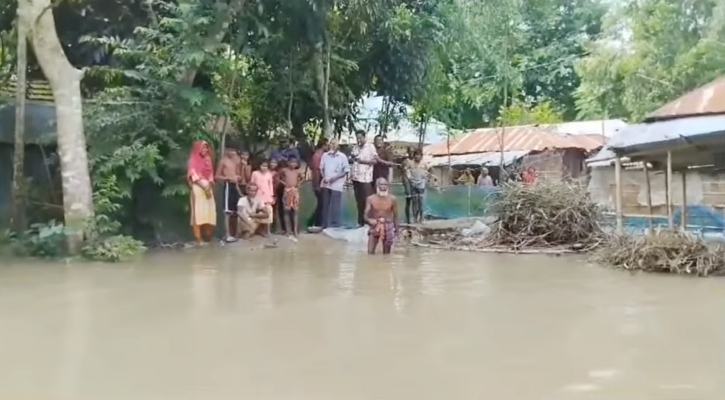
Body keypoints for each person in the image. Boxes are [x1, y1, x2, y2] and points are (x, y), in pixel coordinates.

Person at [350, 130, 394, 227]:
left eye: (360, 137)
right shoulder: (355, 148)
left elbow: (378, 161)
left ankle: (378, 221)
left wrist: (362, 161)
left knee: (371, 201)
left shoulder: (372, 148)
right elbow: (353, 159)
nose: (359, 140)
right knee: (360, 201)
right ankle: (361, 222)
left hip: (371, 178)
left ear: (364, 137)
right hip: (362, 178)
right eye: (357, 138)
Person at [187, 140, 216, 244]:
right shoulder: (193, 160)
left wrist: (210, 184)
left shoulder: (208, 159)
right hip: (198, 189)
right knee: (198, 214)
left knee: (209, 213)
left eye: (206, 147)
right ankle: (198, 239)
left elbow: (211, 174)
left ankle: (208, 237)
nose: (205, 149)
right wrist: (203, 184)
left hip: (208, 188)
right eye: (203, 147)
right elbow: (192, 174)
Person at [319, 138, 350, 229]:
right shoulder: (325, 155)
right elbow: (321, 168)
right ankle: (324, 225)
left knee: (335, 206)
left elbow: (346, 170)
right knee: (325, 205)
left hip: (337, 184)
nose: (332, 145)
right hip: (326, 184)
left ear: (338, 145)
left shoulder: (342, 157)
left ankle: (335, 226)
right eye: (331, 143)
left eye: (334, 144)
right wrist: (324, 177)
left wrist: (335, 178)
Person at [365, 177, 399, 255]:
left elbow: (396, 216)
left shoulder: (392, 199)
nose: (383, 187)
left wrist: (397, 232)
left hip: (388, 226)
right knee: (370, 253)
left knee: (386, 254)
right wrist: (369, 220)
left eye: (385, 185)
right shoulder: (370, 199)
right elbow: (365, 215)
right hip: (375, 226)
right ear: (377, 186)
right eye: (381, 184)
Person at [216, 146, 242, 242]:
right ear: (227, 151)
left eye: (234, 151)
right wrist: (227, 178)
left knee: (235, 211)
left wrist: (237, 177)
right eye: (230, 150)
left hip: (235, 186)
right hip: (227, 185)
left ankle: (235, 233)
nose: (233, 153)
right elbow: (217, 176)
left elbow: (237, 173)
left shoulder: (235, 161)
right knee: (227, 211)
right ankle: (227, 235)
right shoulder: (223, 161)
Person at [307, 138, 329, 228]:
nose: (328, 147)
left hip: (321, 181)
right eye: (327, 145)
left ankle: (317, 222)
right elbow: (316, 171)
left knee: (322, 203)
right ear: (323, 145)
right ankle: (315, 222)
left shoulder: (323, 155)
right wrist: (316, 185)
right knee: (322, 203)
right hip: (318, 182)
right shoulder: (317, 156)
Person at [280, 157, 304, 239]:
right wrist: (284, 184)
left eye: (295, 162)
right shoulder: (284, 170)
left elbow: (303, 178)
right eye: (291, 162)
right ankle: (287, 230)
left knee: (295, 211)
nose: (293, 164)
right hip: (287, 191)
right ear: (288, 163)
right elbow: (278, 178)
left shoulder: (297, 172)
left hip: (295, 191)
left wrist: (299, 184)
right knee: (286, 211)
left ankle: (295, 230)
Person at [408, 149, 432, 224]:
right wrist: (409, 178)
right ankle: (415, 218)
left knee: (421, 202)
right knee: (414, 202)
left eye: (419, 156)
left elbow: (430, 170)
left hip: (421, 184)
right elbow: (407, 171)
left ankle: (421, 218)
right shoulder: (411, 163)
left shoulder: (424, 163)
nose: (417, 157)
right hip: (413, 184)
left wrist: (426, 177)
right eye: (416, 155)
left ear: (421, 157)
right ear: (414, 156)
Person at [250, 159, 276, 228]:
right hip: (257, 195)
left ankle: (267, 230)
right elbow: (252, 184)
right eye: (263, 166)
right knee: (258, 211)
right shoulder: (255, 173)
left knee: (269, 211)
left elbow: (270, 186)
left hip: (267, 196)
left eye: (266, 166)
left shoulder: (269, 174)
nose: (264, 168)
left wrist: (272, 196)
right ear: (259, 166)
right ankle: (257, 229)